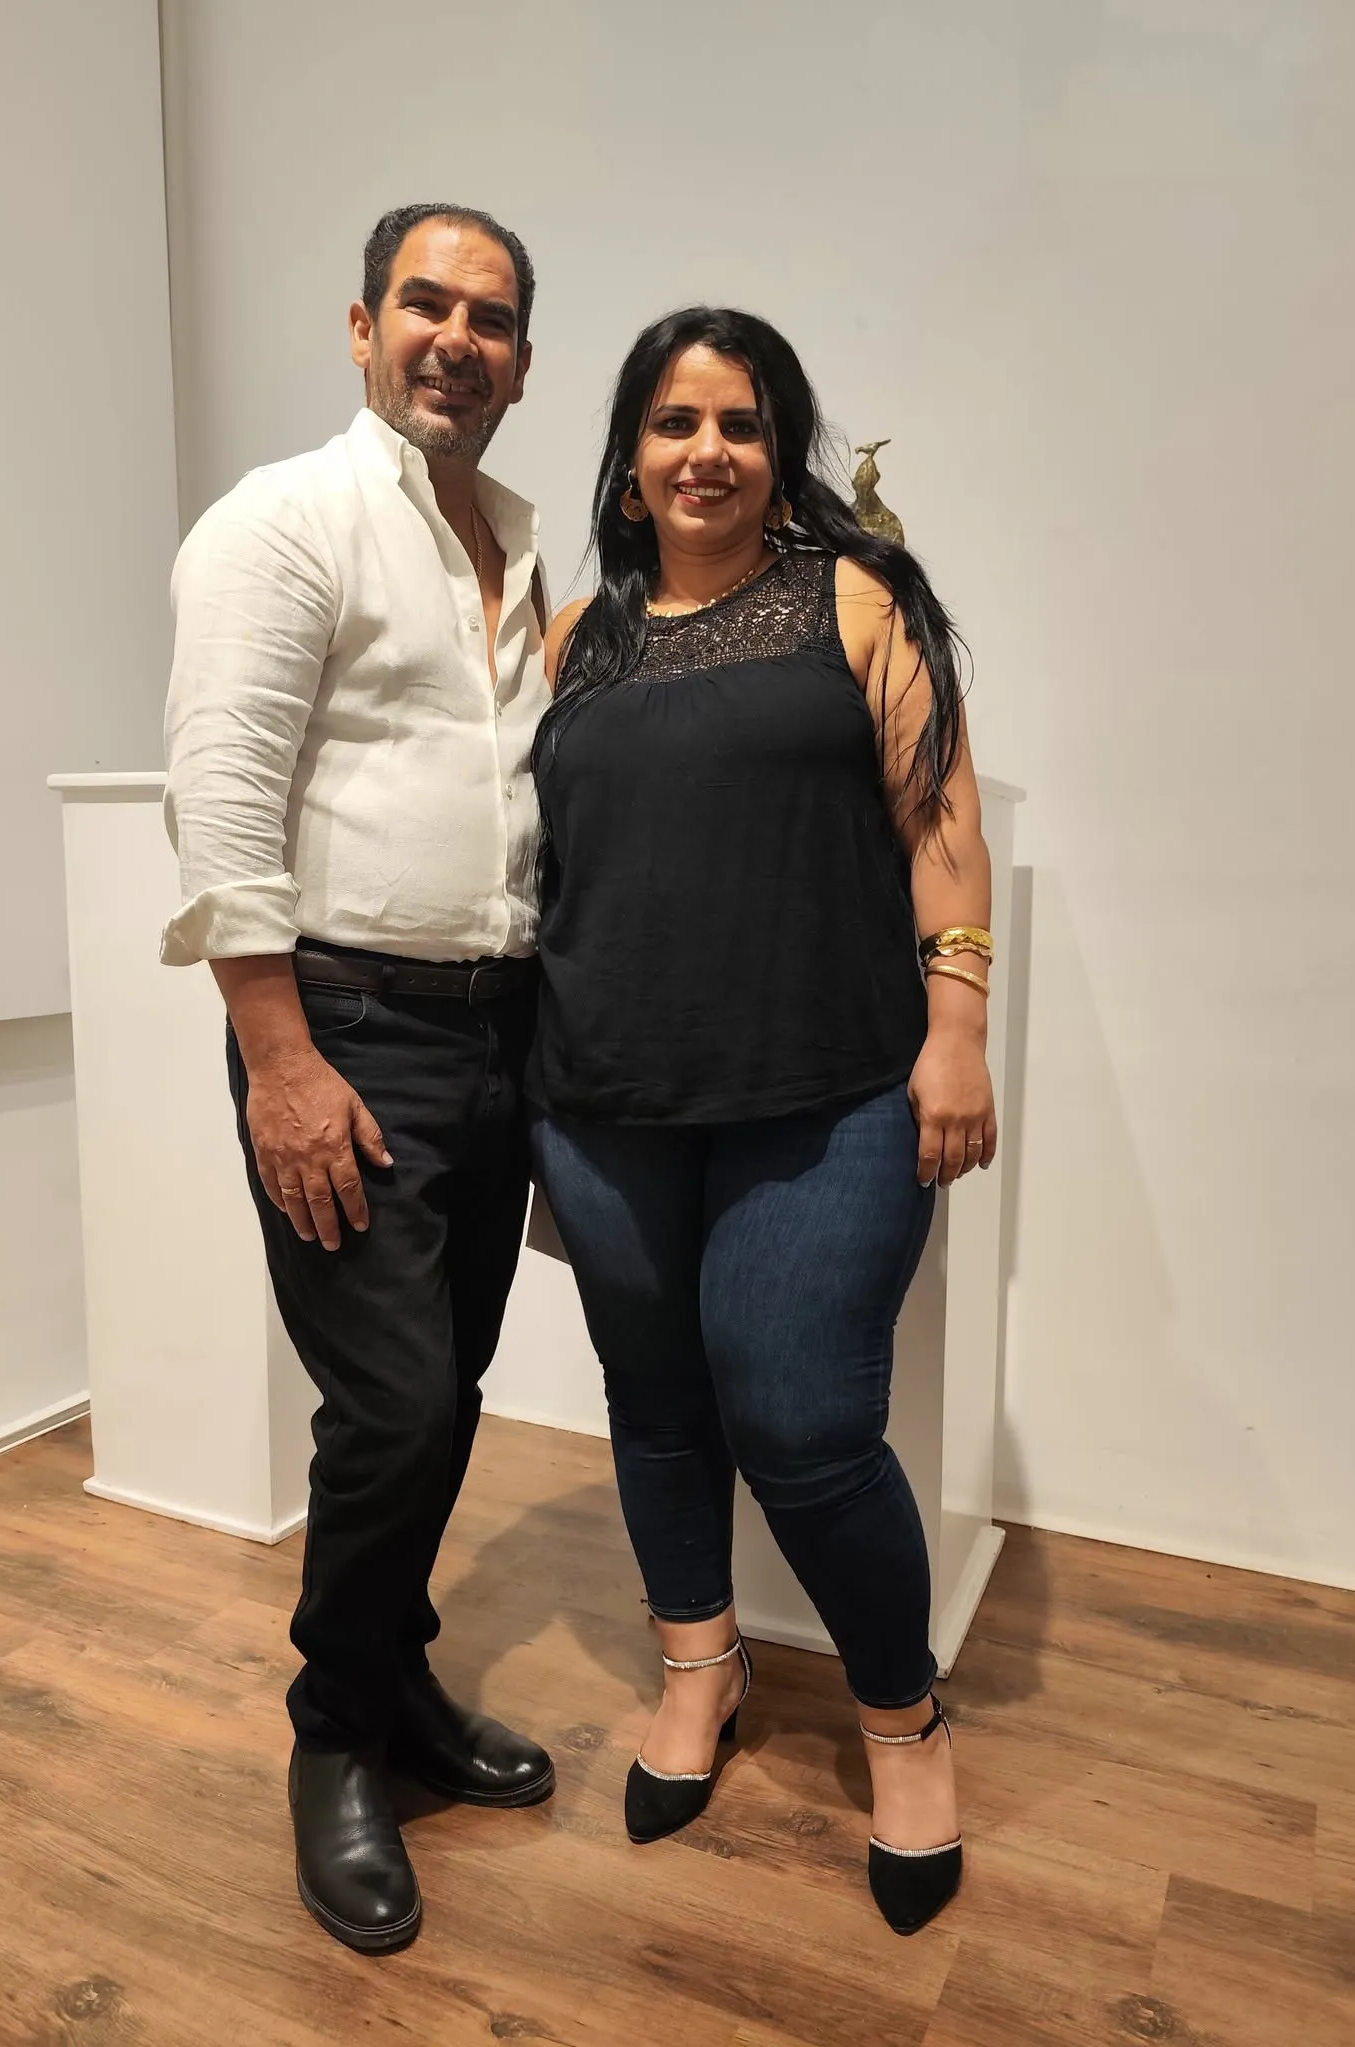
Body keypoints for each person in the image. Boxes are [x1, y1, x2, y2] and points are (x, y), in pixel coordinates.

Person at [528, 308, 995, 1937]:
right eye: (675, 422)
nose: (706, 451)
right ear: (631, 457)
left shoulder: (856, 600)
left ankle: (902, 1722)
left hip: (834, 1087)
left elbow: (940, 815)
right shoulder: (575, 639)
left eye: (738, 422)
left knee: (802, 1423)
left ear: (780, 449)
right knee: (657, 1403)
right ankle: (698, 1667)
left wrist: (958, 1027)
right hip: (605, 1097)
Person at [161, 203, 554, 1956]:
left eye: (492, 318)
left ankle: (396, 1688)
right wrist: (280, 1059)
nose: (456, 338)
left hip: (499, 1029)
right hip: (348, 1026)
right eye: (425, 303)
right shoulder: (285, 520)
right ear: (361, 326)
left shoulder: (518, 546)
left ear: (522, 362)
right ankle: (333, 1734)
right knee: (389, 1405)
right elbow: (224, 799)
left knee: (448, 1387)